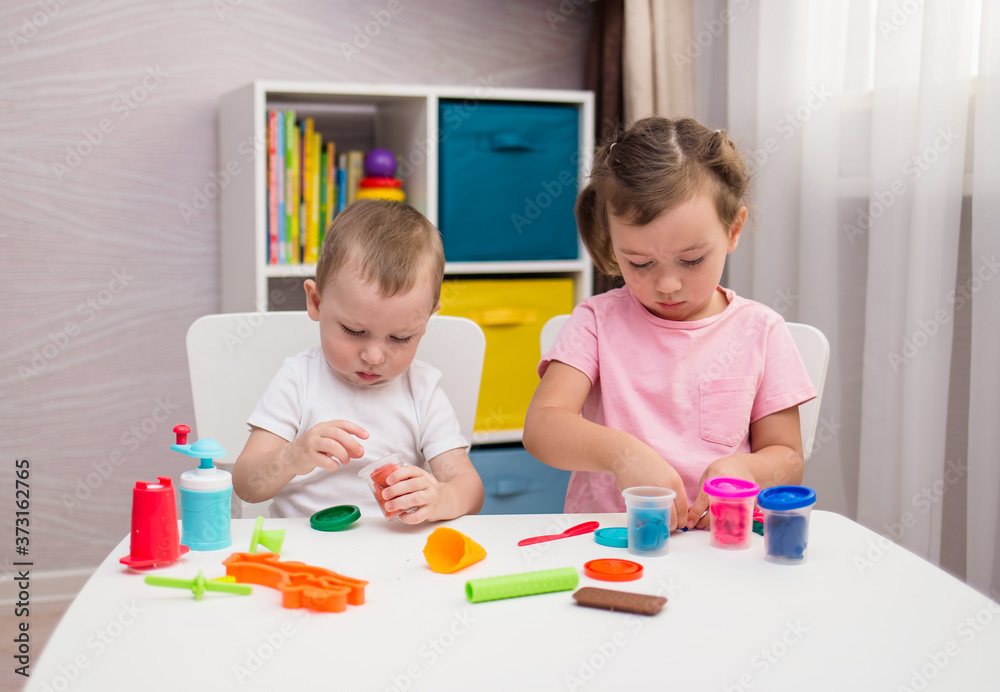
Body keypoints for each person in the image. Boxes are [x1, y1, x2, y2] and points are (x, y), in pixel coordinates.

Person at [523, 117, 816, 531]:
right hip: (613, 538)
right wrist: (623, 454)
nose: (667, 285)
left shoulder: (761, 330)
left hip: (721, 543)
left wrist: (746, 472)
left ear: (733, 230)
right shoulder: (595, 323)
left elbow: (787, 457)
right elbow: (542, 427)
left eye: (692, 260)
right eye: (639, 263)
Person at [233, 199, 484, 522]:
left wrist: (441, 497)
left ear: (426, 321)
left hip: (393, 550)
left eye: (400, 338)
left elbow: (470, 489)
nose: (374, 356)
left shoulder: (422, 389)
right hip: (302, 550)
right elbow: (246, 486)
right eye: (354, 331)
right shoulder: (298, 379)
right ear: (316, 302)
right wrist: (293, 456)